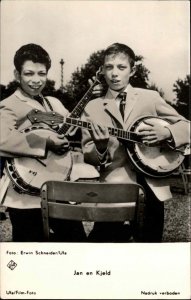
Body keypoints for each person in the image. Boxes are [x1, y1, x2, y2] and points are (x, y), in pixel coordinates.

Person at [81, 42, 190, 242]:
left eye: (121, 67)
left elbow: (186, 125)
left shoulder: (150, 97)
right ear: (102, 70)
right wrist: (101, 147)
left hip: (152, 186)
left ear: (133, 70)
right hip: (113, 188)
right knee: (103, 246)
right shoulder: (93, 107)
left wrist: (166, 132)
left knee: (148, 248)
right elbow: (88, 154)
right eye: (109, 67)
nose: (114, 73)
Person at [0, 43, 98, 242]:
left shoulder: (53, 103)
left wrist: (88, 99)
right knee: (28, 249)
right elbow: (2, 140)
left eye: (41, 74)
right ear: (17, 75)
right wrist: (46, 143)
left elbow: (68, 128)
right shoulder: (9, 105)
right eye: (29, 73)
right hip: (24, 194)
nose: (36, 80)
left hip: (57, 184)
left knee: (76, 241)